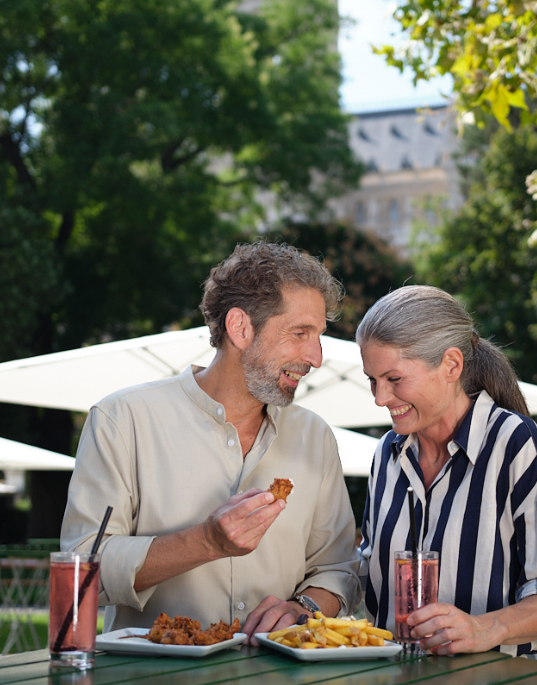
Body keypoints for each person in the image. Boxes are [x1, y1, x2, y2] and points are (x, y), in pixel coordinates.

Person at [60, 242, 361, 641]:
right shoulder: (122, 419)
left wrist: (302, 608)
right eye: (300, 333)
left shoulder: (316, 437)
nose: (316, 356)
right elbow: (84, 570)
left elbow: (339, 570)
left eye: (318, 335)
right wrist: (204, 542)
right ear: (240, 328)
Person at [355, 285, 537, 656]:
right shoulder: (387, 453)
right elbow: (368, 573)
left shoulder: (513, 441)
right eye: (372, 380)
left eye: (394, 379)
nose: (380, 398)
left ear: (451, 365)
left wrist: (484, 628)